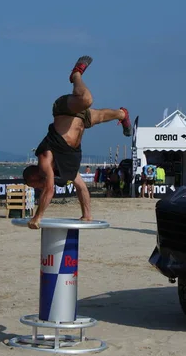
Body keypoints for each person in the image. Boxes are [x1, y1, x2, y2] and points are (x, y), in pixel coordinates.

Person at [22, 55, 132, 228]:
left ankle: (75, 75)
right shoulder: (64, 168)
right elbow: (81, 187)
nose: (37, 187)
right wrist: (86, 215)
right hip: (81, 121)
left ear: (34, 176)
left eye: (34, 184)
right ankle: (123, 114)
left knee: (87, 100)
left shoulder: (45, 160)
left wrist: (38, 217)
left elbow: (49, 189)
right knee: (105, 116)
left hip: (64, 111)